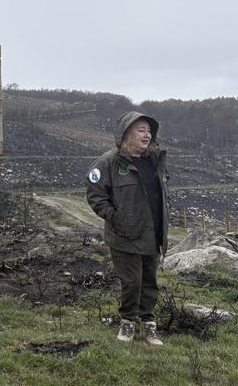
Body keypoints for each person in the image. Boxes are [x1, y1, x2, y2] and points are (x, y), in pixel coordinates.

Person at [86, 111, 168, 346]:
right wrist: (115, 217)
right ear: (126, 134)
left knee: (150, 281)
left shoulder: (155, 161)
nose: (147, 134)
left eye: (149, 131)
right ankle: (127, 323)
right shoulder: (109, 162)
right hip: (124, 235)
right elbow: (95, 194)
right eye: (141, 130)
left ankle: (149, 325)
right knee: (132, 282)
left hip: (153, 234)